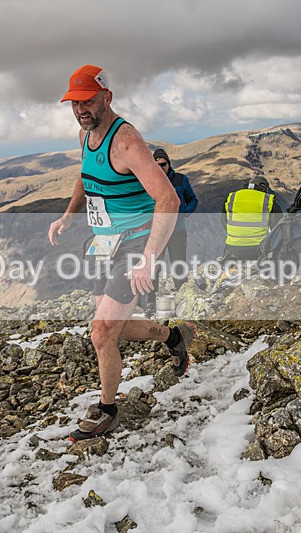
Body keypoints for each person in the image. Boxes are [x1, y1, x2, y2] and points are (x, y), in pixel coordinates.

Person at [48, 65, 195, 442]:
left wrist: (149, 255)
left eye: (88, 101)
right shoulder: (85, 135)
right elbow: (86, 177)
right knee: (114, 327)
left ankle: (108, 410)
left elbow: (168, 198)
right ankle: (173, 337)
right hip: (103, 243)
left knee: (101, 333)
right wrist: (68, 216)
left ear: (107, 98)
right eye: (74, 103)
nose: (80, 109)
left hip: (135, 242)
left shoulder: (125, 140)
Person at [142, 148, 198, 316]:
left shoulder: (181, 179)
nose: (161, 168)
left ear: (168, 163)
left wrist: (185, 211)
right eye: (157, 165)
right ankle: (150, 302)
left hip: (177, 232)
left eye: (163, 164)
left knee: (178, 264)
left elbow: (193, 198)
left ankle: (183, 298)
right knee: (153, 267)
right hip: (156, 233)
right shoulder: (148, 181)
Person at [222, 175, 283, 261]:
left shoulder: (232, 198)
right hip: (258, 250)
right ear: (263, 187)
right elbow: (277, 228)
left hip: (232, 248)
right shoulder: (267, 200)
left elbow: (224, 222)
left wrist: (239, 235)